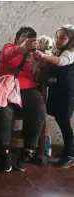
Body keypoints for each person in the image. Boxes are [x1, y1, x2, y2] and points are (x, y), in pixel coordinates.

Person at [0, 26, 46, 172]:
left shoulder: (35, 54)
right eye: (24, 36)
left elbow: (45, 69)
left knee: (39, 108)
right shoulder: (10, 47)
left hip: (28, 89)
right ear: (17, 39)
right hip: (8, 89)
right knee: (5, 113)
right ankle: (4, 153)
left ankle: (28, 151)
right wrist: (22, 48)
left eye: (31, 37)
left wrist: (43, 55)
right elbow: (6, 55)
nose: (27, 39)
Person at [35, 24, 74, 168]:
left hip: (67, 92)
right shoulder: (57, 50)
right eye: (57, 37)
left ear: (70, 40)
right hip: (58, 91)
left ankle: (70, 155)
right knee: (60, 118)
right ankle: (69, 149)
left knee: (64, 122)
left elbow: (61, 62)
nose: (57, 40)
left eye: (62, 38)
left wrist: (44, 56)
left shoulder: (70, 52)